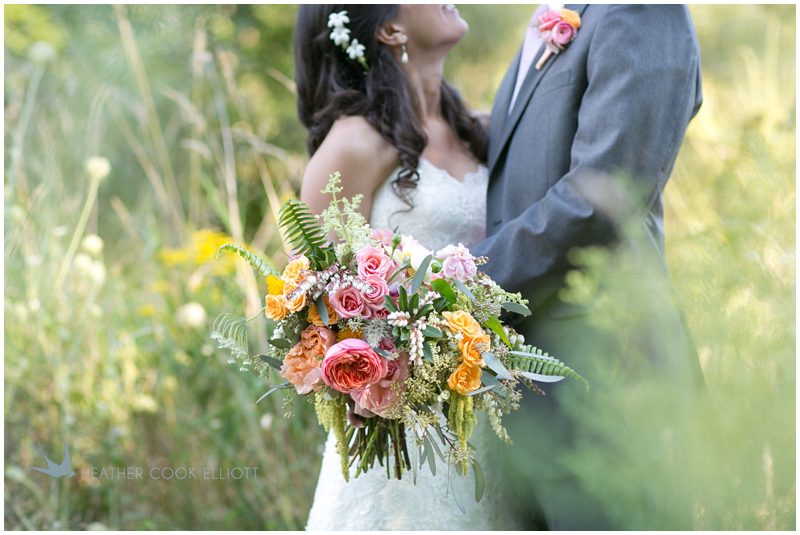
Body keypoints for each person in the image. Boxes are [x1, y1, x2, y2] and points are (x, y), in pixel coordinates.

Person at [470, 4, 705, 529]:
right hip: (527, 398)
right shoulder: (556, 14)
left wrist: (459, 282)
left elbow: (603, 197)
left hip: (608, 384)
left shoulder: (641, 11)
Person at [293, 4, 520, 530]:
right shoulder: (353, 144)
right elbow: (316, 299)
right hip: (404, 434)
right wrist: (383, 368)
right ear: (390, 29)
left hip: (493, 411)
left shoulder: (479, 129)